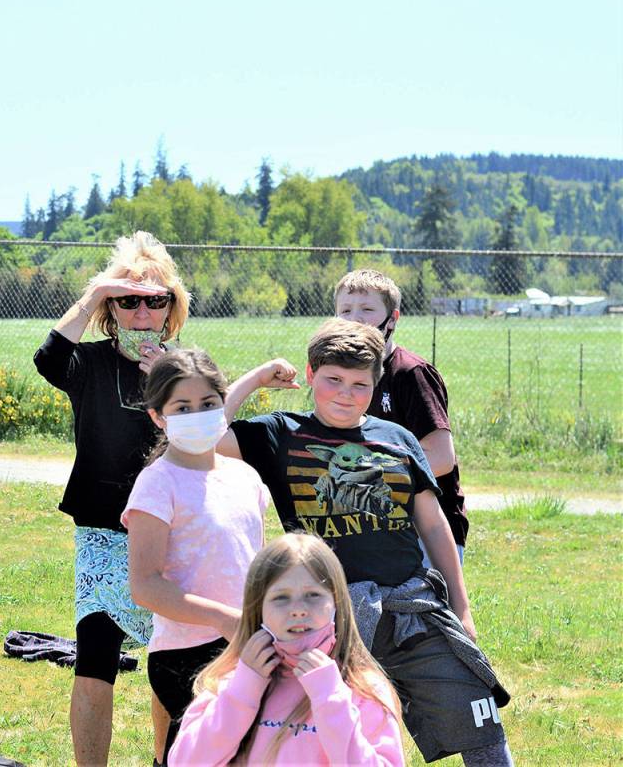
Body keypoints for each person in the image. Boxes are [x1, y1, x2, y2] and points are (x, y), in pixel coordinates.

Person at [219, 319, 513, 766]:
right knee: (328, 734)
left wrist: (461, 606)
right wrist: (258, 378)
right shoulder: (280, 433)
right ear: (310, 373)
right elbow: (206, 436)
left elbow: (434, 525)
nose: (346, 394)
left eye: (360, 384)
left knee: (478, 718)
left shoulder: (398, 439)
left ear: (376, 385)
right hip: (326, 619)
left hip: (412, 608)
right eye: (333, 380)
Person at [33, 231, 188, 766]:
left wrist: (171, 386)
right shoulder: (89, 363)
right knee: (95, 658)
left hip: (172, 527)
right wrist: (96, 290)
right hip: (102, 528)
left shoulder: (186, 369)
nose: (142, 312)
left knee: (170, 660)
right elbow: (49, 359)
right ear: (109, 309)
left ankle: (165, 760)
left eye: (155, 300)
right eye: (127, 300)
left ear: (171, 308)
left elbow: (210, 440)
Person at [122, 349, 278, 762]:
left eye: (208, 404)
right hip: (185, 655)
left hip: (247, 641)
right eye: (182, 408)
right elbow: (145, 586)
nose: (197, 414)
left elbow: (255, 564)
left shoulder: (245, 477)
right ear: (158, 416)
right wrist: (223, 618)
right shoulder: (157, 484)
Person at [169, 534, 404, 766]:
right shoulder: (230, 684)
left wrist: (331, 700)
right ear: (258, 609)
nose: (298, 609)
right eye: (281, 597)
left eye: (313, 595)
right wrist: (241, 694)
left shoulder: (363, 690)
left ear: (337, 604)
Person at [334, 269, 468, 565]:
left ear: (392, 319)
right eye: (345, 310)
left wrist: (369, 474)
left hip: (427, 532)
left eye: (367, 309)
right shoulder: (340, 381)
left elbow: (442, 458)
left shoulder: (411, 374)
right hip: (375, 529)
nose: (355, 319)